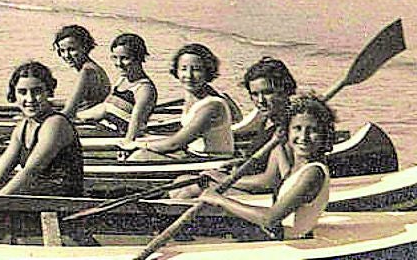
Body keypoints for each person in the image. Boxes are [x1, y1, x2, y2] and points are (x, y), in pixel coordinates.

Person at [197, 95, 336, 239]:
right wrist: (278, 142)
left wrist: (218, 199)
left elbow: (269, 219)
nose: (303, 137)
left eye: (312, 130)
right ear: (287, 132)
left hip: (283, 238)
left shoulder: (313, 173)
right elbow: (280, 175)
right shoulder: (300, 166)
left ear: (324, 135)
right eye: (297, 128)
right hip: (274, 232)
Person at [170, 56, 296, 198]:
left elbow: (268, 181)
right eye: (255, 94)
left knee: (190, 188)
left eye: (267, 92)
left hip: (264, 196)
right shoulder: (268, 120)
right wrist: (239, 163)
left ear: (286, 90)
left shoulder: (289, 128)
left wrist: (222, 178)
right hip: (248, 183)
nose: (260, 101)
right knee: (182, 180)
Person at [0, 61, 83, 196]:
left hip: (60, 199)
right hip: (35, 194)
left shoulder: (56, 124)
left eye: (37, 91)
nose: (30, 99)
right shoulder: (21, 127)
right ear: (14, 94)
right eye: (22, 92)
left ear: (48, 91)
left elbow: (30, 171)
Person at [123, 43, 235, 160]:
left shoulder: (212, 105)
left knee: (139, 156)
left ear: (208, 71)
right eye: (183, 69)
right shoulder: (192, 96)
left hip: (212, 161)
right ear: (176, 71)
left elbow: (175, 144)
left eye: (197, 70)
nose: (189, 75)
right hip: (195, 156)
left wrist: (137, 145)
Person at [78, 33, 158, 142]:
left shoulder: (145, 89)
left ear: (139, 58)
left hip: (117, 135)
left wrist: (127, 144)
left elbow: (136, 124)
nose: (118, 63)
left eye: (125, 58)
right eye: (115, 58)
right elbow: (105, 107)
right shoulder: (122, 79)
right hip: (102, 128)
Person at [53, 24, 111, 118]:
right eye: (62, 51)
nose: (66, 55)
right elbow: (80, 101)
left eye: (71, 49)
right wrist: (49, 102)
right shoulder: (93, 67)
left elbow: (68, 112)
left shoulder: (87, 72)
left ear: (84, 47)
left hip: (88, 121)